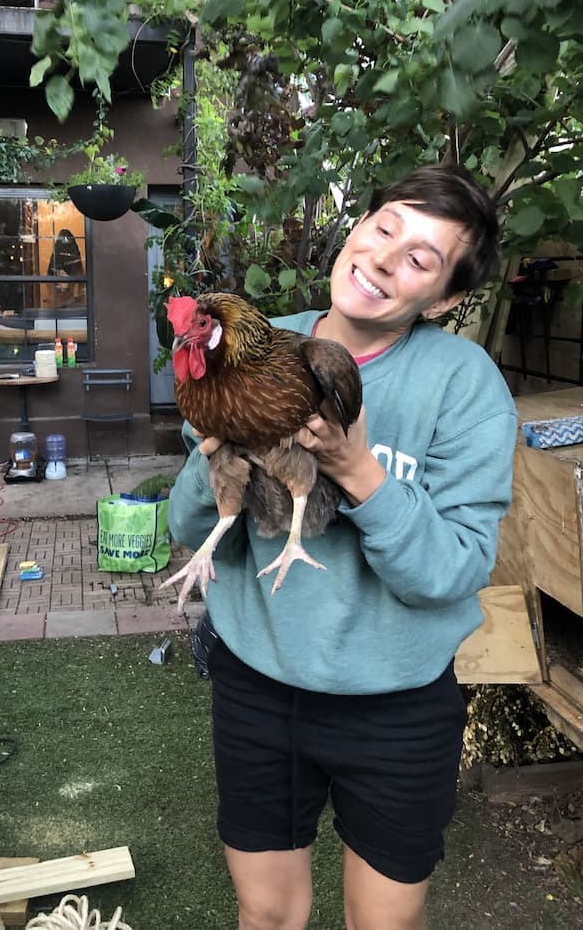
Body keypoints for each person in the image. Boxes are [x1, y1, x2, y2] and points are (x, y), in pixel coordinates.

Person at [166, 165, 518, 930]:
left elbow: (455, 570)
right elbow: (189, 526)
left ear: (446, 297)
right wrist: (209, 453)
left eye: (422, 258)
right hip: (259, 685)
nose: (387, 258)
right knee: (265, 915)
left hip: (395, 706)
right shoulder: (251, 348)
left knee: (383, 926)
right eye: (386, 226)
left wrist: (358, 470)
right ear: (359, 226)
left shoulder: (465, 386)